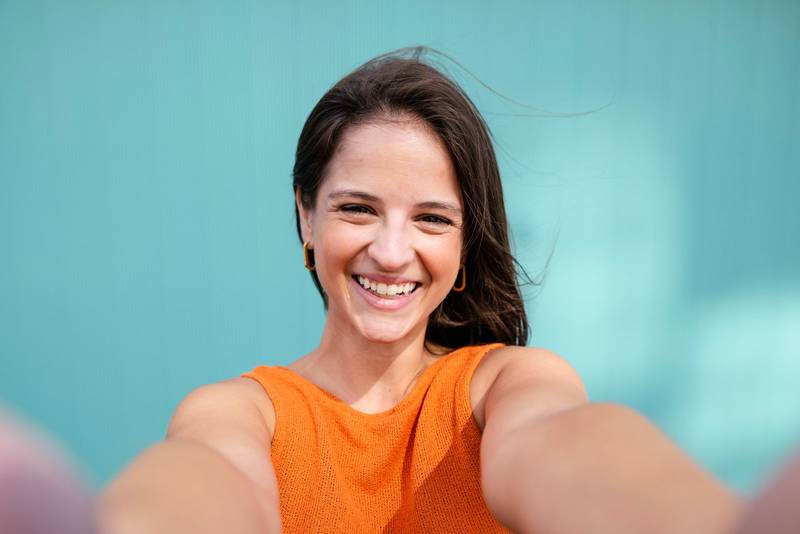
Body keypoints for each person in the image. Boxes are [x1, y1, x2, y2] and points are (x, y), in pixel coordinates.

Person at [97, 48, 743, 534]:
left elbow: (562, 446)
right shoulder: (243, 414)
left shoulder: (504, 390)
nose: (391, 250)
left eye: (432, 219)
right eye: (357, 209)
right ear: (305, 216)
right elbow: (207, 481)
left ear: (463, 246)